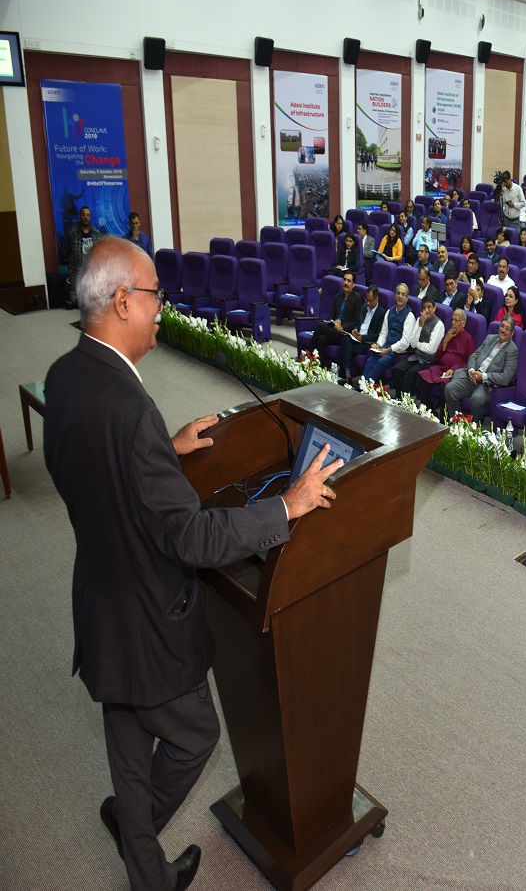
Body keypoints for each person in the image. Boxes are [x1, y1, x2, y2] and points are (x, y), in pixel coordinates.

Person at [44, 237, 338, 891]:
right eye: (156, 295)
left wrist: (163, 451)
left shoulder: (67, 375)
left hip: (99, 599)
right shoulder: (129, 410)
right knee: (194, 735)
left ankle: (144, 865)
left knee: (126, 732)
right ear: (124, 301)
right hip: (147, 618)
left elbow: (88, 469)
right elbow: (193, 540)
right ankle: (138, 830)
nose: (163, 307)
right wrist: (287, 506)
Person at [443, 316, 519, 423]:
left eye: (507, 328)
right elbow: (474, 356)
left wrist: (482, 376)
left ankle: (474, 429)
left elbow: (505, 377)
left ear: (512, 333)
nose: (503, 330)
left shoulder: (513, 350)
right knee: (449, 389)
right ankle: (458, 424)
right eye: (502, 326)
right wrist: (471, 371)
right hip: (472, 376)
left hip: (486, 385)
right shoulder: (490, 338)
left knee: (476, 399)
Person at [415, 308, 476, 409]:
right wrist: (446, 341)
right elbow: (438, 357)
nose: (453, 323)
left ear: (463, 323)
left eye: (456, 320)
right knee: (422, 377)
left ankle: (444, 416)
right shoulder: (450, 334)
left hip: (455, 373)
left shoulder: (468, 339)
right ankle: (429, 410)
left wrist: (453, 369)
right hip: (442, 368)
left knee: (444, 386)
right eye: (452, 320)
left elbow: (470, 362)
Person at [309, 272, 362, 377]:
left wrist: (342, 327)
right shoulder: (338, 297)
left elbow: (356, 322)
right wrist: (335, 322)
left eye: (349, 281)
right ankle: (320, 369)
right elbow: (330, 316)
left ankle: (308, 354)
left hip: (344, 334)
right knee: (322, 338)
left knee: (320, 326)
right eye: (344, 280)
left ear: (353, 284)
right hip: (333, 330)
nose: (345, 283)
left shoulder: (357, 298)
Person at [362, 284, 416, 382]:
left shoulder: (410, 316)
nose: (400, 296)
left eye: (403, 294)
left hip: (396, 352)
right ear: (395, 296)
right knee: (370, 360)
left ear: (407, 299)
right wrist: (378, 344)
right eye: (398, 293)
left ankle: (367, 386)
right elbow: (383, 333)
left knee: (381, 362)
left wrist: (389, 350)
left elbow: (405, 342)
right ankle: (362, 384)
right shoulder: (389, 311)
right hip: (385, 347)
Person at [391, 298, 445, 395]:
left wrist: (417, 344)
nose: (426, 310)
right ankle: (400, 397)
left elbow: (431, 349)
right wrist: (420, 326)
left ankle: (404, 399)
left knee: (410, 373)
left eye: (429, 307)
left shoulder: (439, 324)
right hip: (416, 357)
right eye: (424, 307)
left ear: (434, 308)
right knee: (397, 369)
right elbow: (412, 344)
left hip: (428, 361)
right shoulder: (420, 320)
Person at [340, 285, 385, 383]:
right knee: (347, 338)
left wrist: (363, 338)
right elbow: (358, 323)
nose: (368, 303)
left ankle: (345, 374)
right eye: (366, 300)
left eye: (370, 300)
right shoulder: (364, 307)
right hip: (357, 338)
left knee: (348, 348)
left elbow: (378, 335)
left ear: (376, 299)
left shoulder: (381, 313)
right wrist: (355, 330)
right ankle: (346, 374)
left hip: (366, 343)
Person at [63, 205, 102, 308]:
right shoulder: (71, 232)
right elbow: (65, 251)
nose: (86, 217)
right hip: (75, 277)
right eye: (84, 215)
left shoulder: (96, 233)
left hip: (92, 277)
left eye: (88, 215)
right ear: (80, 216)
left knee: (92, 305)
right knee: (75, 304)